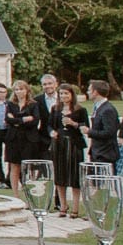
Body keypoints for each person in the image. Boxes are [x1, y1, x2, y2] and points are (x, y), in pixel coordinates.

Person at [50, 84, 87, 217]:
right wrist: (52, 132)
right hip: (59, 144)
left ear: (72, 95)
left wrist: (73, 123)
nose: (63, 96)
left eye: (66, 93)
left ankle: (76, 207)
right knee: (60, 175)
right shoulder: (55, 109)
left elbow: (85, 126)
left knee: (75, 176)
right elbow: (50, 125)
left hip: (74, 144)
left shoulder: (80, 110)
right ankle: (63, 205)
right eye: (61, 94)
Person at [4, 80, 39, 191]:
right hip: (13, 138)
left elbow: (35, 121)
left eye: (21, 89)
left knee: (28, 167)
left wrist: (16, 120)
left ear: (27, 90)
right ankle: (15, 194)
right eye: (16, 89)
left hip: (28, 139)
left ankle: (29, 193)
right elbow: (8, 119)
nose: (19, 92)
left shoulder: (33, 104)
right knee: (14, 166)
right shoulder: (10, 104)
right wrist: (23, 119)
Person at [85, 80, 122, 175]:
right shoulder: (99, 107)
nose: (87, 92)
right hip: (97, 152)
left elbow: (109, 132)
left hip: (105, 154)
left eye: (89, 90)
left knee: (103, 185)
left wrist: (89, 131)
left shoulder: (107, 110)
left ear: (95, 92)